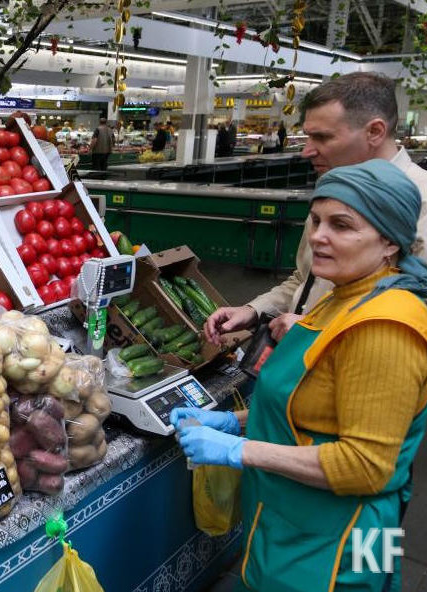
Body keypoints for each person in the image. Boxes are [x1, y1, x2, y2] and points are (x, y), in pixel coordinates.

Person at [173, 159, 427, 592]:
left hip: (339, 544)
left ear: (389, 242)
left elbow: (365, 467)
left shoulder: (384, 326)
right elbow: (320, 410)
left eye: (342, 225)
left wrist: (240, 449)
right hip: (298, 525)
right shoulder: (346, 295)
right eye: (315, 220)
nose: (318, 236)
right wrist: (234, 422)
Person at [205, 72, 427, 345]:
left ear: (375, 131)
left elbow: (412, 319)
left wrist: (319, 332)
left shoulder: (422, 202)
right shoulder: (332, 192)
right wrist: (254, 310)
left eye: (322, 137)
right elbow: (307, 278)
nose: (306, 151)